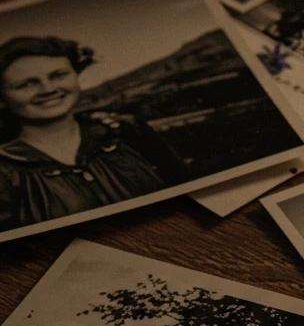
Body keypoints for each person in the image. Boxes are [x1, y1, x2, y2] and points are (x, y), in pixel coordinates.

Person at [0, 37, 181, 232]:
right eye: (26, 84)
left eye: (59, 75)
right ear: (2, 98)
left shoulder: (125, 130)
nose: (48, 89)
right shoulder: (5, 170)